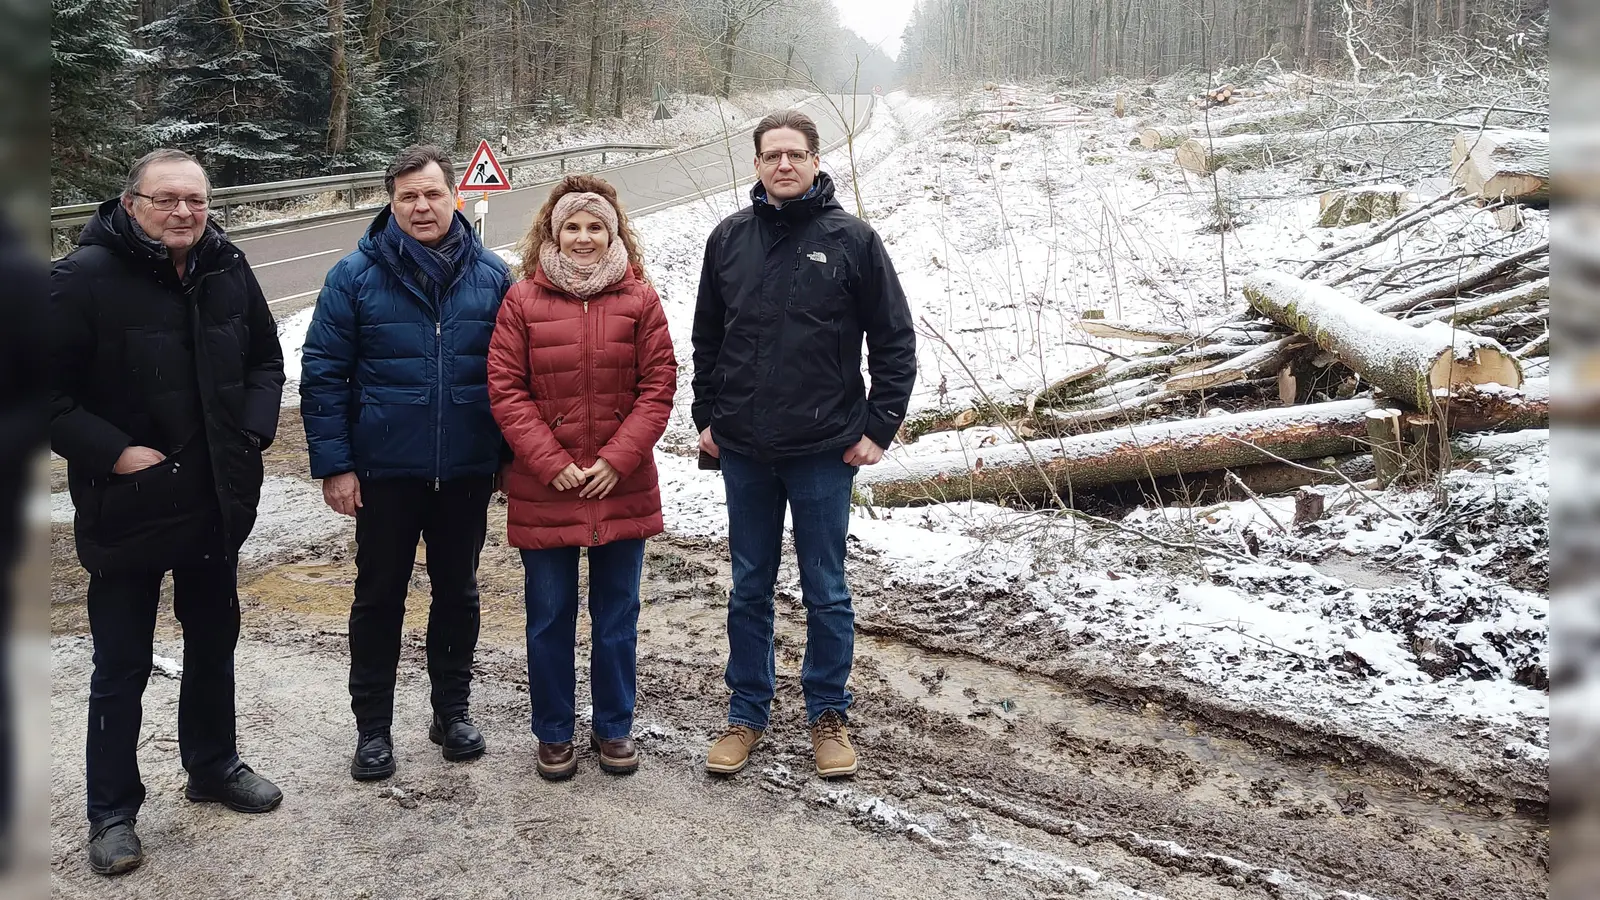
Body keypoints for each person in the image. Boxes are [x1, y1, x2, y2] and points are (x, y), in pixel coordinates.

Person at [50, 148, 286, 875]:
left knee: (213, 645)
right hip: (128, 504)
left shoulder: (226, 266)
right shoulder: (78, 281)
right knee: (121, 666)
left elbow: (266, 362)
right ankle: (111, 811)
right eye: (166, 199)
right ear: (131, 204)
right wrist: (113, 452)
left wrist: (249, 431)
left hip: (214, 500)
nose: (183, 212)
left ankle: (213, 766)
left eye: (195, 199)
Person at [692, 111, 917, 778]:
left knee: (826, 590)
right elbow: (707, 337)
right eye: (771, 155)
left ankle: (828, 714)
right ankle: (747, 712)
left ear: (817, 161)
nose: (783, 164)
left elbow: (895, 341)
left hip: (824, 449)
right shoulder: (729, 238)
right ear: (757, 164)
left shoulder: (853, 240)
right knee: (749, 586)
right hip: (745, 451)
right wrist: (707, 416)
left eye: (795, 154)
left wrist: (879, 427)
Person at [300, 145, 513, 782]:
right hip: (383, 473)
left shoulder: (494, 276)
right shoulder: (355, 275)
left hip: (466, 471)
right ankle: (373, 728)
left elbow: (512, 378)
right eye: (407, 197)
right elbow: (323, 375)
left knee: (458, 593)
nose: (421, 207)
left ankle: (451, 711)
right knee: (378, 597)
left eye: (432, 194)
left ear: (455, 197)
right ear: (391, 203)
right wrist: (335, 464)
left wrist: (504, 459)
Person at [488, 175, 675, 780]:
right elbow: (506, 389)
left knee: (617, 617)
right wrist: (552, 464)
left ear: (615, 231)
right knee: (548, 619)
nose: (584, 236)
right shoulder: (522, 301)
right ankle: (554, 731)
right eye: (573, 225)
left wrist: (617, 460)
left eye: (596, 225)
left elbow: (658, 387)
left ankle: (614, 727)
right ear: (552, 230)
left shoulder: (640, 300)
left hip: (621, 486)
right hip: (548, 487)